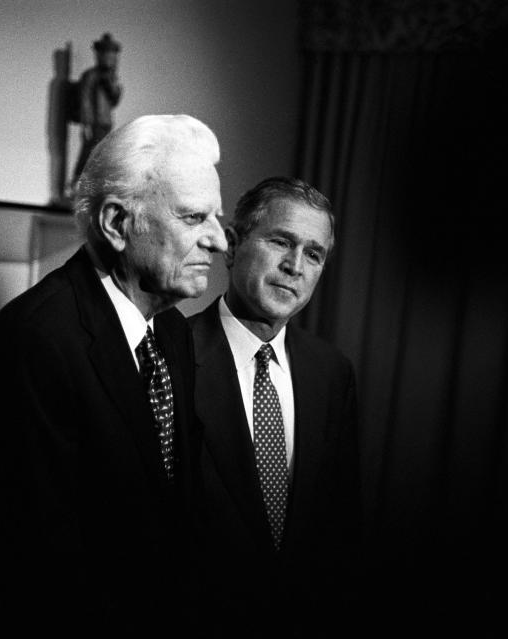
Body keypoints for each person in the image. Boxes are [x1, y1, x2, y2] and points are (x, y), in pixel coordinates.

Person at [0, 114, 227, 637]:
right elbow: (29, 561)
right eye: (195, 217)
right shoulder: (36, 341)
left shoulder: (169, 332)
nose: (218, 240)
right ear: (116, 224)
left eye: (216, 217)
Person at [188, 177, 362, 637]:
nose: (294, 266)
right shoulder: (171, 356)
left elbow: (341, 531)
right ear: (232, 243)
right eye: (281, 242)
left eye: (314, 253)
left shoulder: (332, 373)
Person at [71, 32, 122, 182]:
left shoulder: (110, 78)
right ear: (99, 55)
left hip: (106, 122)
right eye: (106, 54)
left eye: (112, 55)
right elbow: (85, 100)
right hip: (94, 123)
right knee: (89, 154)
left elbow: (114, 100)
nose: (109, 58)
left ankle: (91, 187)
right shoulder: (90, 75)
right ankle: (76, 184)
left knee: (101, 155)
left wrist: (110, 83)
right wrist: (86, 123)